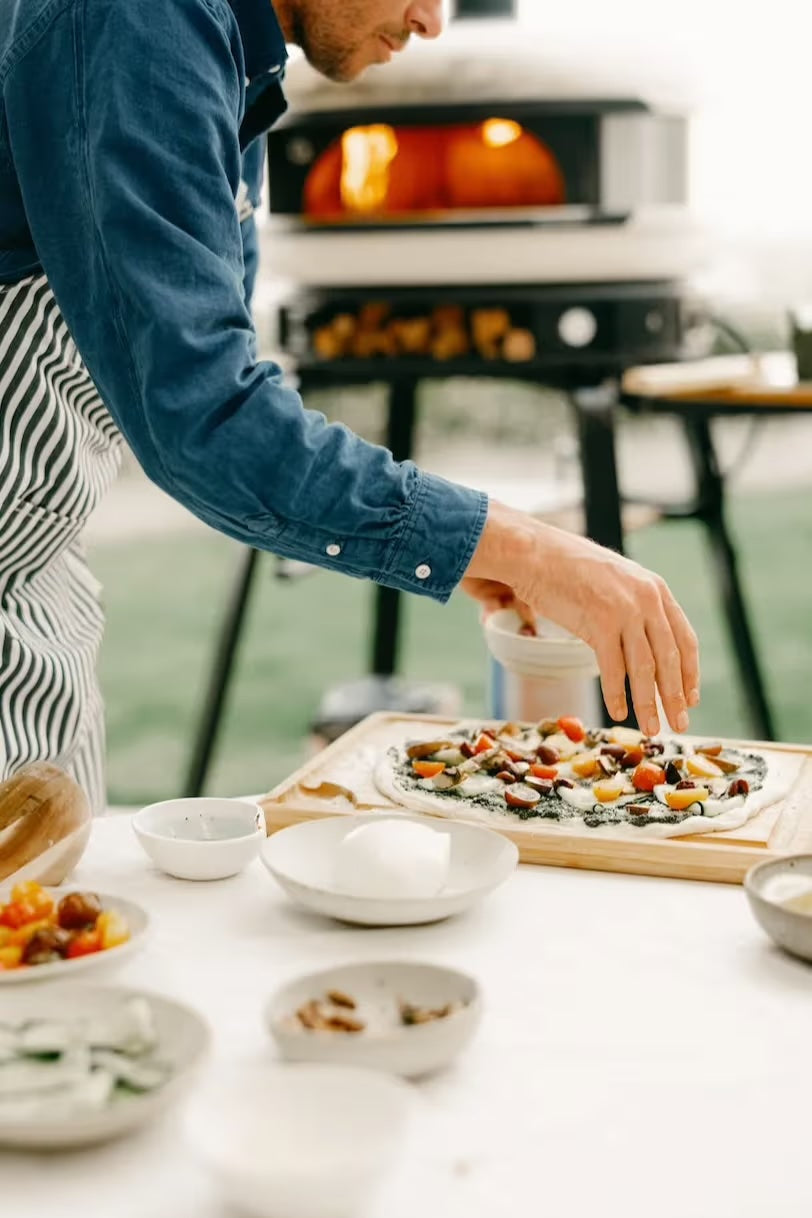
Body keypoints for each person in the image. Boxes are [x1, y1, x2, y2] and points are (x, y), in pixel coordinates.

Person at [0, 0, 699, 813]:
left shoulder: (242, 62)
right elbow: (208, 419)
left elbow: (216, 390)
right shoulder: (140, 14)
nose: (433, 21)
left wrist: (481, 551)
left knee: (61, 918)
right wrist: (530, 553)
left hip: (40, 595)